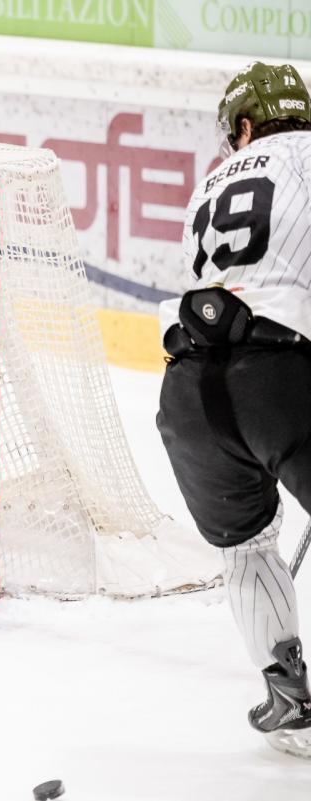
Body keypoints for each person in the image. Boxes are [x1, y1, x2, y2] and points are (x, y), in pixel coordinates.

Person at [157, 61, 311, 759]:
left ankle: (292, 697)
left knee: (247, 545)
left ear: (244, 128)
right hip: (280, 378)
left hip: (188, 390)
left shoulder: (209, 185)